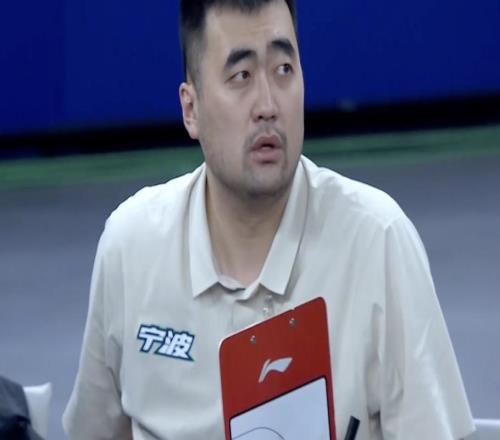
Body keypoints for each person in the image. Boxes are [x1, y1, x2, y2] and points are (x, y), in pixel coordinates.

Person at [63, 0, 475, 438]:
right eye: (241, 76)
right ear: (191, 109)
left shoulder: (378, 242)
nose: (268, 105)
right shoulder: (130, 248)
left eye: (283, 69)